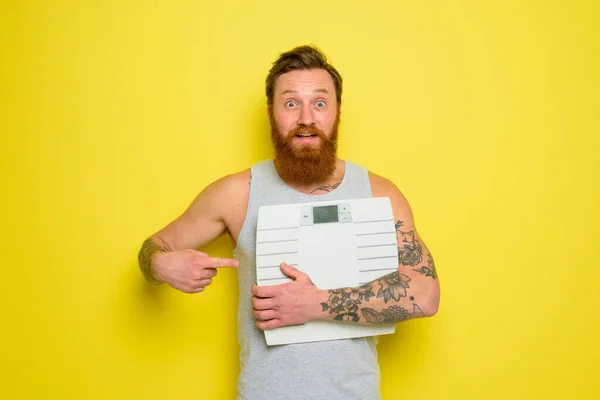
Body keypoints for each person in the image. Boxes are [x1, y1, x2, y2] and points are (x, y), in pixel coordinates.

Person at [138, 45, 440, 400]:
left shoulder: (379, 193)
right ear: (271, 113)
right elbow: (154, 249)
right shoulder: (236, 194)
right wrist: (161, 264)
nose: (306, 118)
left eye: (320, 103)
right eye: (291, 103)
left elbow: (425, 294)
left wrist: (314, 304)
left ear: (338, 113)